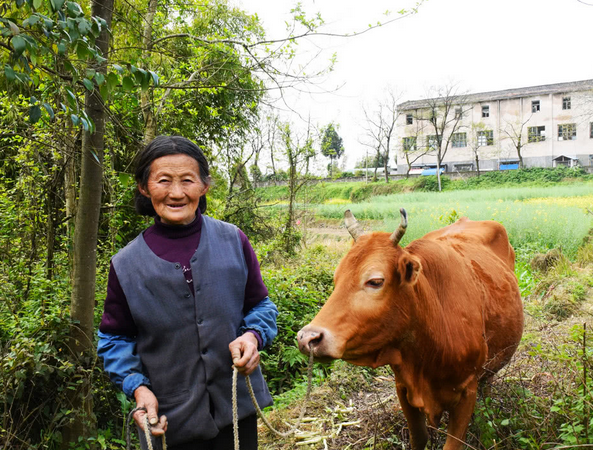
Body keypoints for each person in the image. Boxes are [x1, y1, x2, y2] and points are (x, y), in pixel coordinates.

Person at [97, 135, 278, 450]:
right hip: (168, 422)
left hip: (236, 409)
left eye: (187, 180)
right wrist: (138, 389)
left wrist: (252, 337)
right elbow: (114, 340)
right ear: (143, 187)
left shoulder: (233, 240)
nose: (176, 193)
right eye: (163, 181)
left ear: (205, 185)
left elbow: (260, 306)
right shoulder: (126, 265)